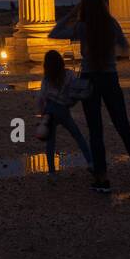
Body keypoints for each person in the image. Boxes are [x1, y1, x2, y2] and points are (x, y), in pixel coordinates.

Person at [49, 0, 130, 193]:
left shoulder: (81, 27)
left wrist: (71, 14)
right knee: (123, 126)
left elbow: (54, 33)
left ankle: (102, 179)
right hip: (110, 78)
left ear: (84, 7)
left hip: (89, 80)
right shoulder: (111, 24)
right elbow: (124, 45)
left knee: (95, 130)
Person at [36, 50, 92, 180]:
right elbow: (74, 90)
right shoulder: (69, 74)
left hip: (50, 111)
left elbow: (41, 96)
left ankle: (51, 171)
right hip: (63, 109)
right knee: (78, 136)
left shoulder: (46, 78)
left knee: (50, 142)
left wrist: (41, 114)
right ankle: (90, 161)